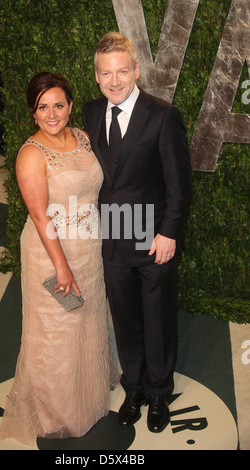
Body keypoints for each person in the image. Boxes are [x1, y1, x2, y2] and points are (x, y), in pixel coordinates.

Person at [0, 72, 119, 447]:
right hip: (52, 254)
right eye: (42, 107)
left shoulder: (83, 137)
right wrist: (62, 267)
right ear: (32, 113)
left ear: (69, 105)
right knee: (57, 331)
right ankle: (59, 410)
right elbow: (39, 217)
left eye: (58, 105)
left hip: (88, 247)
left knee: (88, 320)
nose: (52, 114)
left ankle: (90, 391)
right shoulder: (31, 154)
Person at [83, 32, 191, 433]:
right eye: (106, 73)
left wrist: (169, 233)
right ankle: (135, 388)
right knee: (125, 317)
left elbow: (178, 183)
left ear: (137, 70)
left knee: (157, 316)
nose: (115, 81)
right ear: (96, 76)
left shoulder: (163, 115)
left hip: (152, 238)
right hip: (111, 238)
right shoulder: (92, 113)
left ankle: (160, 390)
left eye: (122, 71)